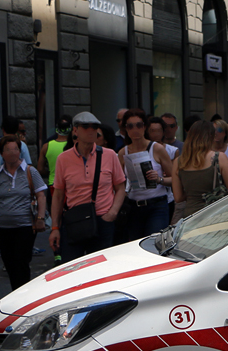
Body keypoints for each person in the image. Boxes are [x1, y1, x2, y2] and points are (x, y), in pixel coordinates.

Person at [50, 111, 126, 262]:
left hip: (102, 219)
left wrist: (112, 213)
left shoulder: (110, 155)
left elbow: (120, 187)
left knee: (100, 269)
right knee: (71, 268)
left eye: (95, 126)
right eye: (86, 126)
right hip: (75, 219)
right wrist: (55, 228)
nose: (91, 130)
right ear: (75, 130)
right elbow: (58, 195)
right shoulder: (63, 159)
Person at [0, 135, 46, 290]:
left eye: (15, 149)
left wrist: (40, 217)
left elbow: (41, 195)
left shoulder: (30, 171)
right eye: (8, 150)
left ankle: (23, 294)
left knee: (21, 261)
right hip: (4, 226)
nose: (12, 153)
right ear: (1, 153)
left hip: (25, 225)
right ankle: (15, 292)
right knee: (9, 263)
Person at [117, 110, 174, 240]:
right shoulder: (123, 153)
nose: (135, 129)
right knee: (135, 244)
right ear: (126, 128)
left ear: (144, 127)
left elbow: (175, 179)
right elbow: (118, 182)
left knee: (154, 243)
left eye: (139, 125)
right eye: (130, 126)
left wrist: (159, 179)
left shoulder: (157, 148)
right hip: (133, 205)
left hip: (157, 205)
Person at [171, 120, 228, 223]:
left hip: (191, 217)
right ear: (211, 136)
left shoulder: (178, 162)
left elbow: (178, 197)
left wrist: (193, 191)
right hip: (215, 216)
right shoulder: (219, 157)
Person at [40, 115, 73, 203]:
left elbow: (40, 169)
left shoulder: (46, 146)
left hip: (53, 185)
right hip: (70, 185)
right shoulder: (75, 146)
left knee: (54, 214)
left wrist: (51, 171)